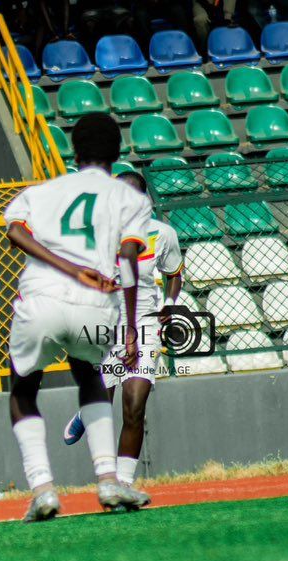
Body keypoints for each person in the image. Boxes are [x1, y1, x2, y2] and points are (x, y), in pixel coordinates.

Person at [3, 112, 151, 522]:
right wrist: (131, 328)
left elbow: (15, 231)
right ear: (117, 153)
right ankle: (108, 480)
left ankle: (43, 489)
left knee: (23, 389)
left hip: (41, 300)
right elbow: (128, 260)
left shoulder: (44, 191)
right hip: (95, 304)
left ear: (74, 151)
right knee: (91, 377)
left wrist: (65, 266)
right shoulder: (131, 199)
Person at [62, 171, 184, 494]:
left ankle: (123, 482)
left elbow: (174, 274)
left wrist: (170, 304)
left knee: (134, 403)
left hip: (145, 323)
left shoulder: (163, 234)